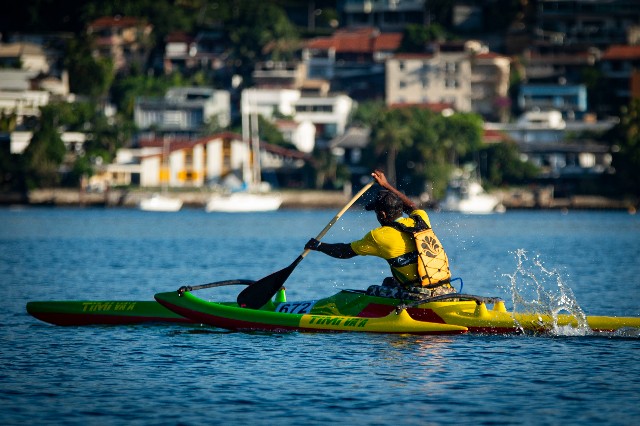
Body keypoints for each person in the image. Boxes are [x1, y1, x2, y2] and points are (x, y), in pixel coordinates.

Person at [305, 170, 456, 300]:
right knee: (389, 282)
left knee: (373, 290)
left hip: (421, 297)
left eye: (377, 213)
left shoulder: (379, 236)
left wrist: (318, 246)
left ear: (382, 214)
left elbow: (344, 252)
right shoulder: (421, 219)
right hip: (448, 291)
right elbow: (411, 206)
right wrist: (386, 185)